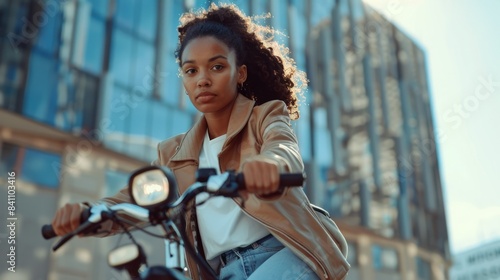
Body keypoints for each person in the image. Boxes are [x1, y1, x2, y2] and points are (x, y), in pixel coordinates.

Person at [51, 3, 349, 279]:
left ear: (240, 73)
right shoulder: (172, 153)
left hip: (287, 253)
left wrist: (269, 164)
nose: (202, 80)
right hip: (222, 271)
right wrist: (86, 213)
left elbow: (282, 146)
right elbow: (133, 198)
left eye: (217, 67)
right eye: (191, 71)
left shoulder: (264, 116)